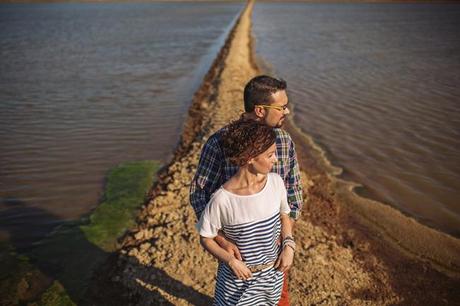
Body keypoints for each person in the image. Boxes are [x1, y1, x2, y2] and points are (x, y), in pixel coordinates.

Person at [190, 75, 303, 305]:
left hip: (276, 247)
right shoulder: (218, 143)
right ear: (260, 110)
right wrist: (221, 240)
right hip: (238, 251)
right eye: (281, 107)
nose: (287, 112)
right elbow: (199, 194)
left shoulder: (284, 141)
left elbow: (294, 190)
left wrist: (286, 239)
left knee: (279, 297)